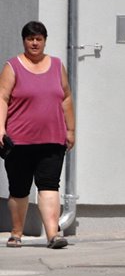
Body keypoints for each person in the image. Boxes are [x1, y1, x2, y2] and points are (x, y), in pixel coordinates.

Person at [0, 21, 75, 249]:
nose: (34, 43)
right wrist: (0, 128)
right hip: (20, 141)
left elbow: (66, 97)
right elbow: (2, 98)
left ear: (44, 41)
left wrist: (70, 129)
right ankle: (16, 233)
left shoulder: (57, 66)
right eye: (30, 39)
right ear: (24, 41)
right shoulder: (13, 66)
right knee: (19, 188)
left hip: (52, 139)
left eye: (39, 39)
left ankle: (53, 235)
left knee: (50, 185)